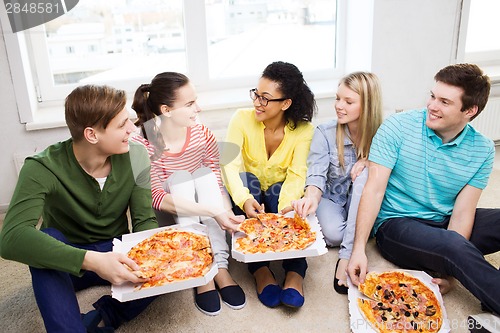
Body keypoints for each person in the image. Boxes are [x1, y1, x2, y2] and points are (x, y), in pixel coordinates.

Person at [0, 85, 159, 333]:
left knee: (163, 261)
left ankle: (102, 317)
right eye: (121, 125)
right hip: (67, 257)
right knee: (44, 241)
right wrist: (92, 260)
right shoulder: (41, 167)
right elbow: (11, 238)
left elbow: (144, 219)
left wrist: (151, 257)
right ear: (92, 135)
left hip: (118, 252)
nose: (132, 128)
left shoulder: (137, 155)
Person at [346, 63, 500, 316]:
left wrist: (451, 271)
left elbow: (462, 213)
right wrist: (358, 249)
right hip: (396, 226)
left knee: (454, 243)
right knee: (453, 246)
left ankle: (490, 300)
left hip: (445, 221)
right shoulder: (397, 127)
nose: (432, 105)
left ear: (470, 110)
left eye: (444, 102)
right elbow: (373, 190)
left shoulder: (482, 149)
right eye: (432, 96)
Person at [131, 72, 245, 316]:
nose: (199, 108)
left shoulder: (202, 134)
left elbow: (215, 179)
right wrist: (213, 211)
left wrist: (225, 213)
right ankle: (199, 267)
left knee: (204, 174)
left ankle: (220, 267)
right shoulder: (142, 142)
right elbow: (157, 198)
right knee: (181, 179)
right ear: (167, 110)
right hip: (169, 214)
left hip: (203, 205)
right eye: (190, 104)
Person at [222, 61, 316, 308]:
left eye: (265, 98)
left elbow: (297, 175)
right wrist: (244, 199)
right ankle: (261, 269)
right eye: (256, 94)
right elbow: (229, 166)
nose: (256, 103)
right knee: (246, 180)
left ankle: (295, 271)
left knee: (284, 197)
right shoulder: (241, 119)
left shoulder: (304, 130)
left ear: (285, 103)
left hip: (279, 192)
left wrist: (283, 214)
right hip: (249, 190)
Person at [291, 72, 383, 295]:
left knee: (366, 175)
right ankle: (359, 232)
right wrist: (311, 197)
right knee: (332, 234)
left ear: (368, 105)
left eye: (348, 102)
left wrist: (369, 160)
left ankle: (346, 256)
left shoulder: (383, 134)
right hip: (332, 197)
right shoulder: (325, 133)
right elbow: (316, 175)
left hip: (365, 200)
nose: (339, 106)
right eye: (337, 98)